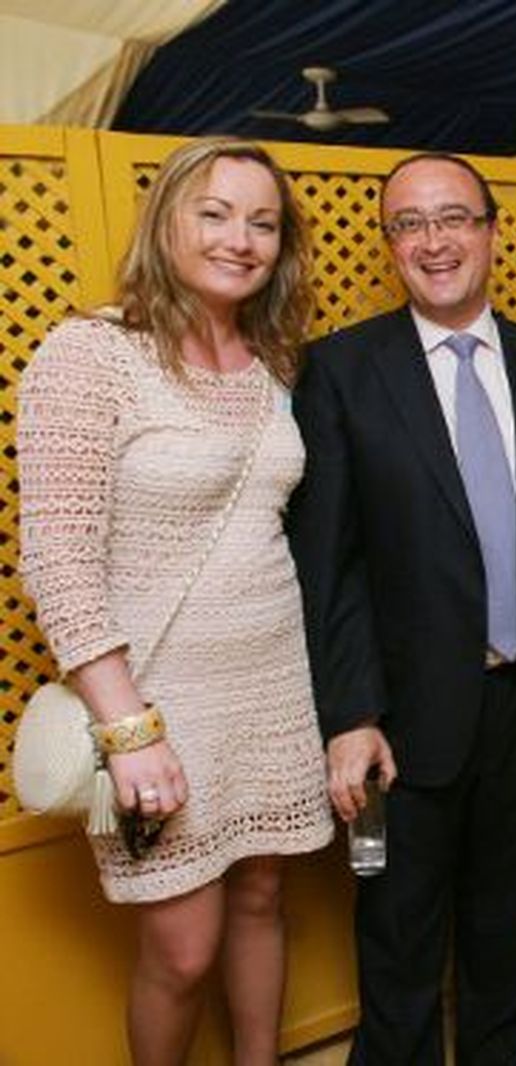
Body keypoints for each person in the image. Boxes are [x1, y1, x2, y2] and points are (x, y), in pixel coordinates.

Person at [288, 152, 516, 1065]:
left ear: (489, 228)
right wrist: (351, 714)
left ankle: (498, 1048)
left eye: (452, 218)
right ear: (389, 244)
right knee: (398, 927)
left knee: (510, 911)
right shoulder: (341, 372)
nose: (433, 241)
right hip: (405, 718)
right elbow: (331, 566)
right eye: (408, 223)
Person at [18, 136, 333, 1065]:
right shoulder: (93, 352)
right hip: (158, 698)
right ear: (168, 222)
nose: (241, 238)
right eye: (215, 212)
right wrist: (129, 729)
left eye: (263, 221)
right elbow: (58, 555)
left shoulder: (273, 363)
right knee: (182, 947)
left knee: (263, 899)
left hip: (270, 681)